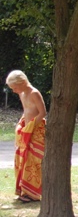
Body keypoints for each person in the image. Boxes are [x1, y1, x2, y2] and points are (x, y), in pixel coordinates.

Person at [5, 70, 47, 203]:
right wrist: (22, 125)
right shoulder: (22, 94)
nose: (14, 91)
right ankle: (25, 190)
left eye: (15, 87)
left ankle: (34, 194)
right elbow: (26, 111)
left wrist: (32, 126)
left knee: (34, 160)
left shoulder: (34, 93)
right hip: (26, 130)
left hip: (36, 130)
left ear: (22, 82)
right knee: (23, 159)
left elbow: (43, 112)